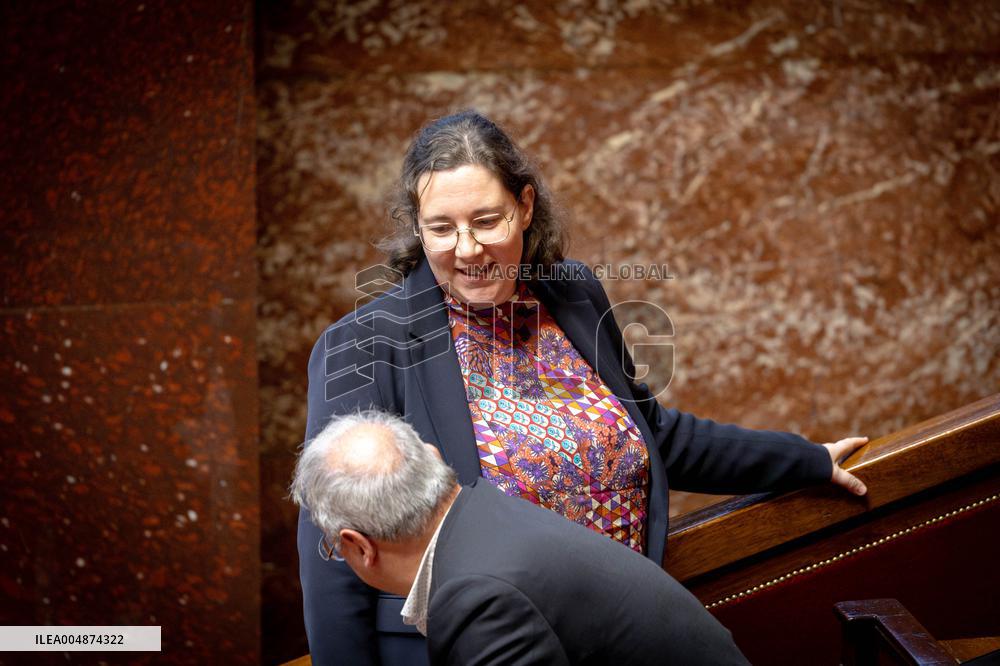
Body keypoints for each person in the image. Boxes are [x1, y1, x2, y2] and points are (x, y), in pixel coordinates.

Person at [298, 109, 869, 666]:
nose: (466, 249)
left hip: (617, 637)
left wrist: (804, 460)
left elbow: (655, 435)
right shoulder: (366, 344)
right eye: (441, 228)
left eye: (486, 220)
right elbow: (333, 545)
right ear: (416, 228)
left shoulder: (571, 293)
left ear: (524, 207)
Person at [291, 410, 753, 665]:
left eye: (333, 546)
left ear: (358, 545)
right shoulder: (488, 512)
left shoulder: (475, 600)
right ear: (431, 459)